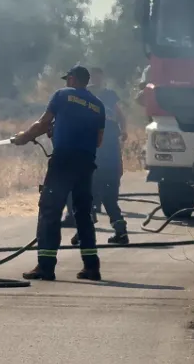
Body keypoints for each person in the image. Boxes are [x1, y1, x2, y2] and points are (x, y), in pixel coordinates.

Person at [11, 65, 106, 281]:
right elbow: (98, 141)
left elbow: (43, 123)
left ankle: (45, 265)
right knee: (83, 213)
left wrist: (23, 137)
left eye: (67, 79)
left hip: (63, 161)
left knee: (50, 209)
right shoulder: (98, 106)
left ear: (72, 79)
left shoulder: (62, 95)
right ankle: (92, 267)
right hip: (86, 162)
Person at [67, 67, 129, 245]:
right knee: (109, 199)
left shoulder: (93, 116)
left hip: (97, 164)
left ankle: (84, 232)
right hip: (109, 164)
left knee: (87, 197)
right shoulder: (107, 126)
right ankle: (120, 231)